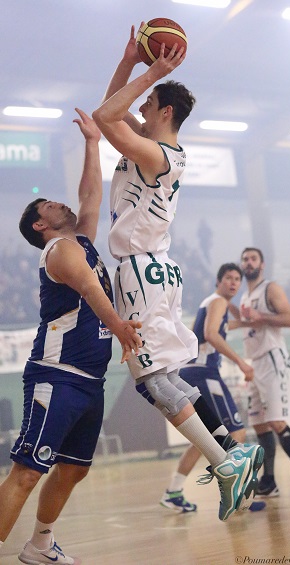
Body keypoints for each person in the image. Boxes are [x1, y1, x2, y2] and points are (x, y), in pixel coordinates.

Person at [92, 25, 263, 522]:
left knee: (152, 383)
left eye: (148, 104)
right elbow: (113, 107)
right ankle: (233, 448)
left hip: (141, 273)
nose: (139, 109)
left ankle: (225, 462)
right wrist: (129, 60)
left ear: (165, 112)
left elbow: (106, 115)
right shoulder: (154, 149)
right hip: (155, 270)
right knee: (167, 378)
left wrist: (153, 70)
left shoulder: (158, 154)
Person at [0, 109, 142, 565]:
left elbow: (92, 194)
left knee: (75, 468)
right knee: (25, 473)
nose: (62, 204)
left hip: (88, 380)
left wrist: (92, 143)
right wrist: (119, 326)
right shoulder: (59, 251)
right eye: (51, 207)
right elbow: (90, 288)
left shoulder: (79, 238)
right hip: (57, 377)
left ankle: (40, 544)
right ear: (41, 225)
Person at [160, 263, 265, 513]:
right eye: (228, 277)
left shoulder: (214, 304)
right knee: (235, 432)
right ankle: (237, 494)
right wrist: (241, 362)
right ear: (218, 281)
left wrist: (245, 320)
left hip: (193, 372)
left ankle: (173, 492)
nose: (233, 282)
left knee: (205, 438)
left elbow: (221, 327)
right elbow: (212, 334)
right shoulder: (217, 301)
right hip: (204, 373)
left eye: (237, 279)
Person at [230, 247, 290, 497]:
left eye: (253, 259)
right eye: (245, 259)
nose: (248, 262)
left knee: (276, 421)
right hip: (255, 363)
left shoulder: (270, 289)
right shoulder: (245, 296)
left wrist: (261, 315)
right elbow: (249, 322)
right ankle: (270, 480)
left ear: (262, 264)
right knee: (260, 425)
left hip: (273, 360)